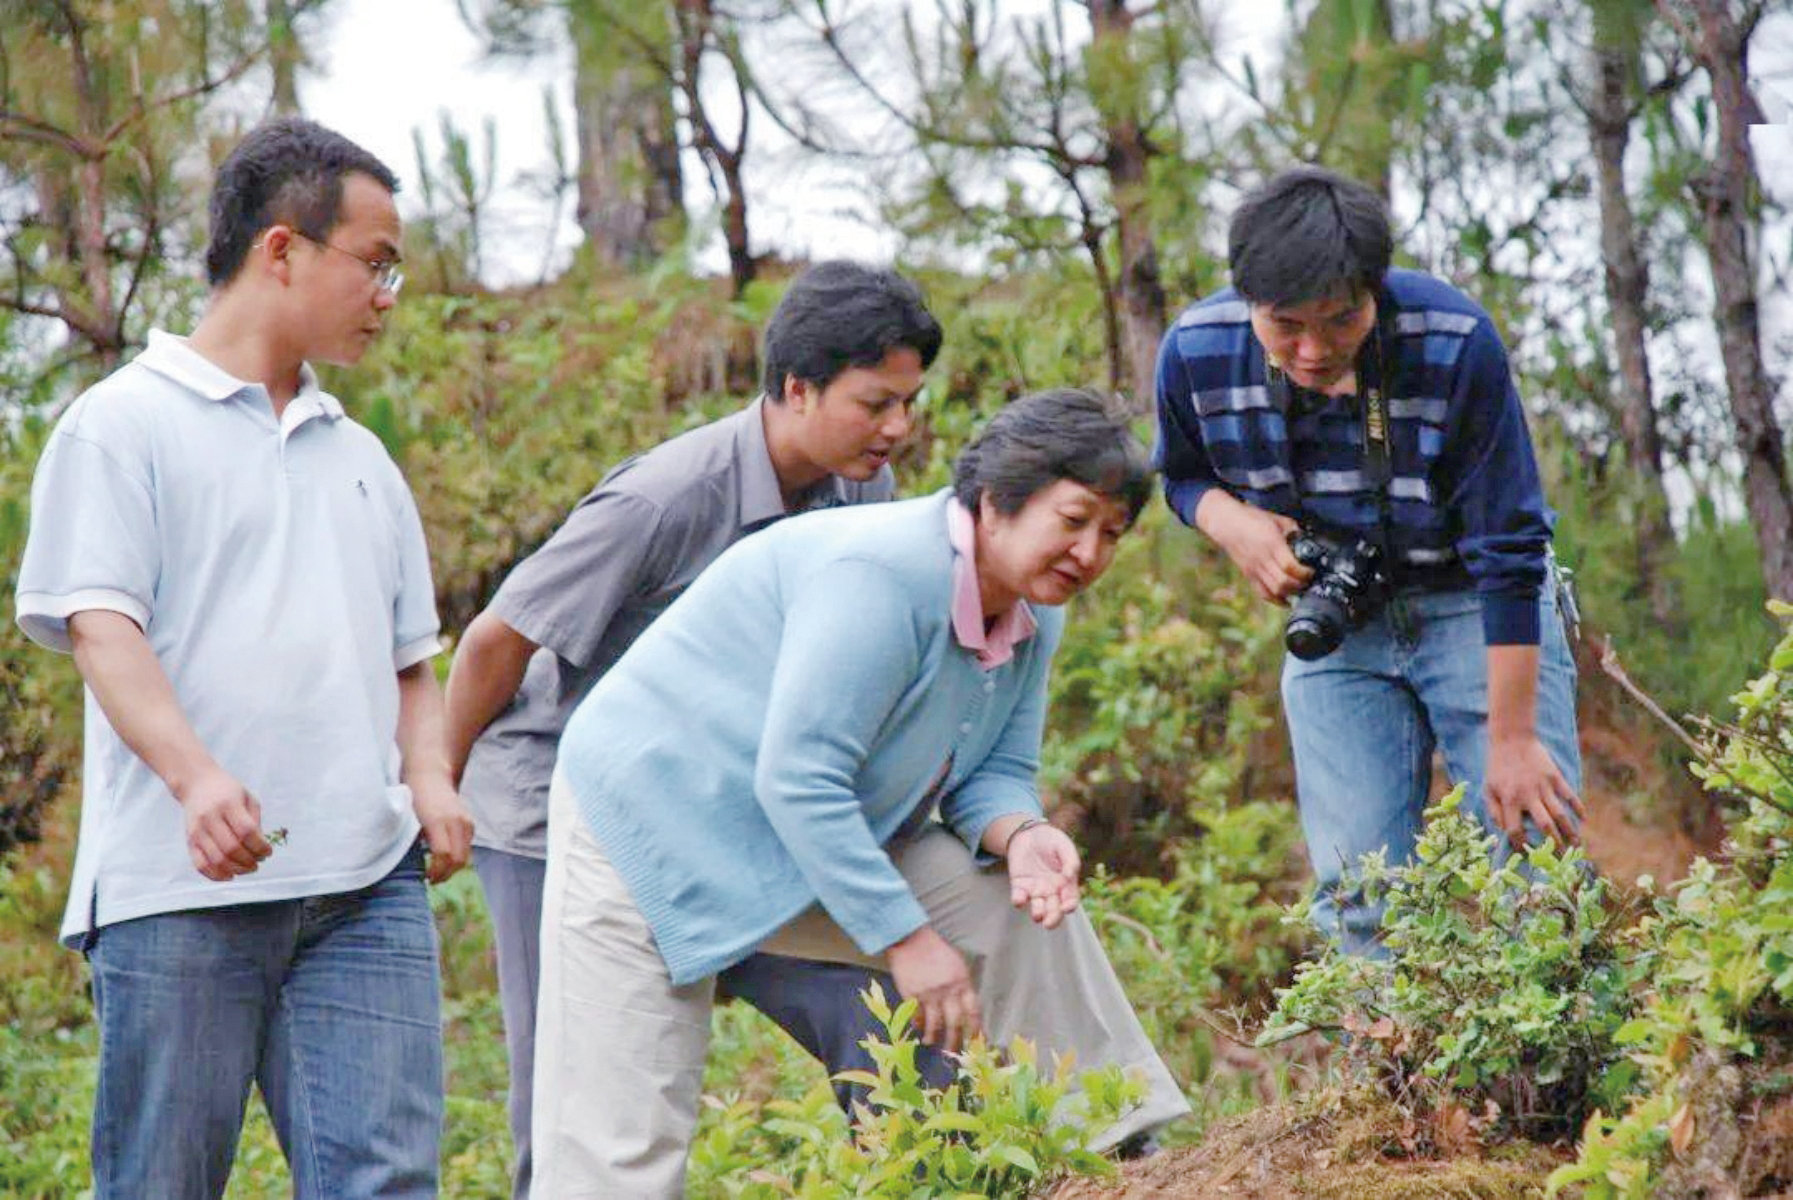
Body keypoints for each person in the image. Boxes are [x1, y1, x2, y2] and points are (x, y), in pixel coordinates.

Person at [531, 388, 1191, 1197]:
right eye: (1073, 519)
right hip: (650, 821)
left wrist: (1022, 835)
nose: (1089, 552)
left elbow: (992, 773)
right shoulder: (881, 577)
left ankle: (1123, 1151)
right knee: (622, 1141)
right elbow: (800, 779)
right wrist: (906, 940)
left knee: (1016, 907)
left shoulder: (1031, 609)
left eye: (1112, 534)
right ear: (994, 503)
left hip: (814, 829)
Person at [13, 118, 473, 1198]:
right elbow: (100, 627)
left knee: (389, 1184)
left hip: (365, 891)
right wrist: (195, 776)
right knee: (162, 1183)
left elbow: (411, 665)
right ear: (282, 251)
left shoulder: (361, 458)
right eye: (375, 260)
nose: (388, 291)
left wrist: (433, 779)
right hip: (177, 893)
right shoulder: (119, 427)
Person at [443, 260, 950, 1198]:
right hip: (560, 810)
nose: (898, 430)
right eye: (876, 403)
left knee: (883, 1015)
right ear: (795, 387)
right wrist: (437, 795)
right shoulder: (665, 498)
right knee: (570, 1111)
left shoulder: (861, 499)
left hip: (725, 807)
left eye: (909, 403)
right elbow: (493, 643)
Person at [1153, 165, 1583, 955]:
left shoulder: (1452, 340)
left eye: (1340, 321)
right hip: (1338, 625)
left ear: (1374, 291)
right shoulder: (1194, 350)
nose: (1312, 350)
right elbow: (1179, 475)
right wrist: (1232, 524)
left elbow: (1508, 544)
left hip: (1475, 609)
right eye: (1285, 326)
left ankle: (1561, 1076)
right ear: (1244, 298)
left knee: (1538, 865)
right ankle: (1388, 1078)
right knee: (1357, 893)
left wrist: (1512, 738)